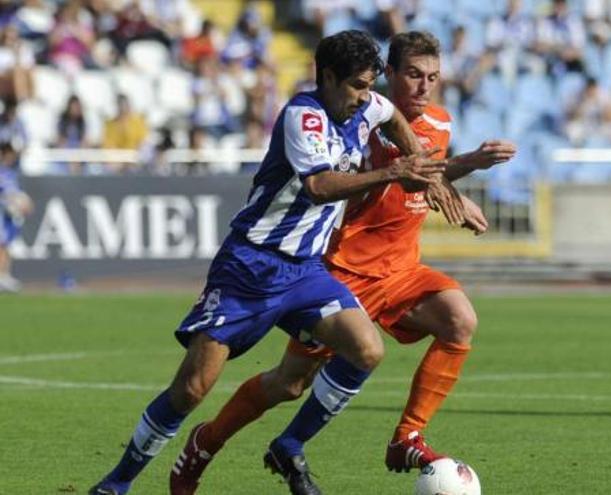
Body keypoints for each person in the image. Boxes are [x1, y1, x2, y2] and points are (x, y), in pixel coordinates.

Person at [88, 30, 446, 495]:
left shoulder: (367, 107)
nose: (366, 96)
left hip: (306, 272)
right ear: (330, 77)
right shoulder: (304, 115)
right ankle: (116, 485)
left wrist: (418, 158)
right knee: (192, 389)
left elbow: (392, 114)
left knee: (366, 349)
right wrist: (394, 171)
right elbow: (318, 187)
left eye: (369, 85)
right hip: (250, 268)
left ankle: (291, 442)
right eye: (357, 85)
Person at [168, 31, 516, 494]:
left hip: (401, 269)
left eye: (432, 77)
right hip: (341, 270)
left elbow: (424, 173)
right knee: (289, 384)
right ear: (387, 75)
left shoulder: (440, 123)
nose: (423, 86)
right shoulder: (361, 119)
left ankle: (404, 437)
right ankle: (206, 442)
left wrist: (450, 193)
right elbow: (405, 177)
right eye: (412, 74)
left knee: (459, 319)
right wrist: (467, 165)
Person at [0, 141, 31, 292]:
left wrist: (23, 203)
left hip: (6, 214)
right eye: (10, 154)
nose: (12, 157)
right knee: (2, 244)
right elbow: (9, 194)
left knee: (4, 244)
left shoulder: (9, 173)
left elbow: (16, 194)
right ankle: (2, 277)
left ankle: (4, 275)